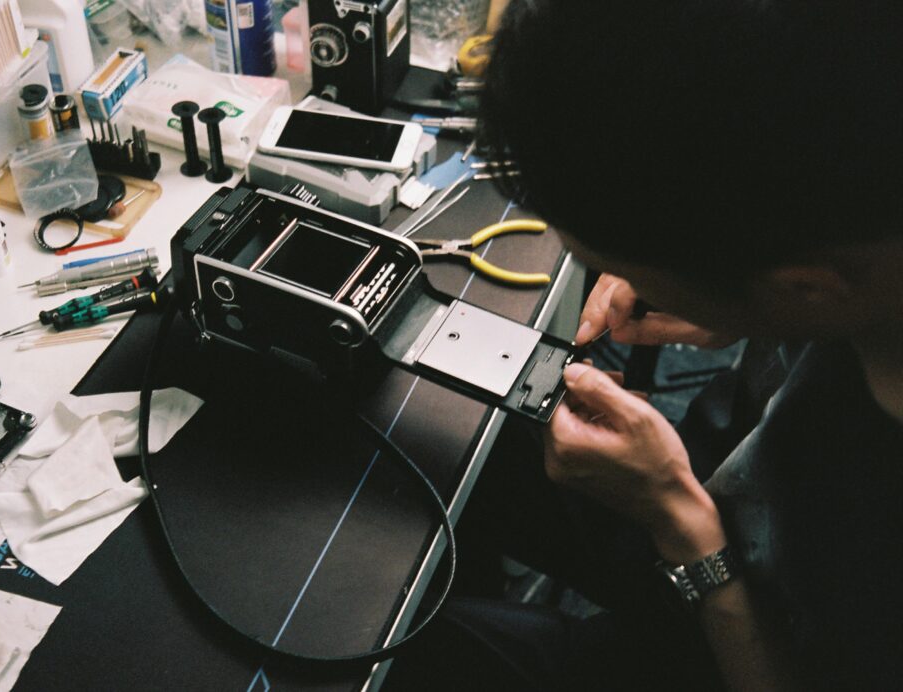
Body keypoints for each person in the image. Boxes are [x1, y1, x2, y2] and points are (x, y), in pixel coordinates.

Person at [384, 1, 902, 690]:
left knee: (378, 644)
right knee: (415, 434)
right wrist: (741, 310)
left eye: (645, 272)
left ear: (805, 286)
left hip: (725, 631)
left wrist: (678, 518)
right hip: (715, 492)